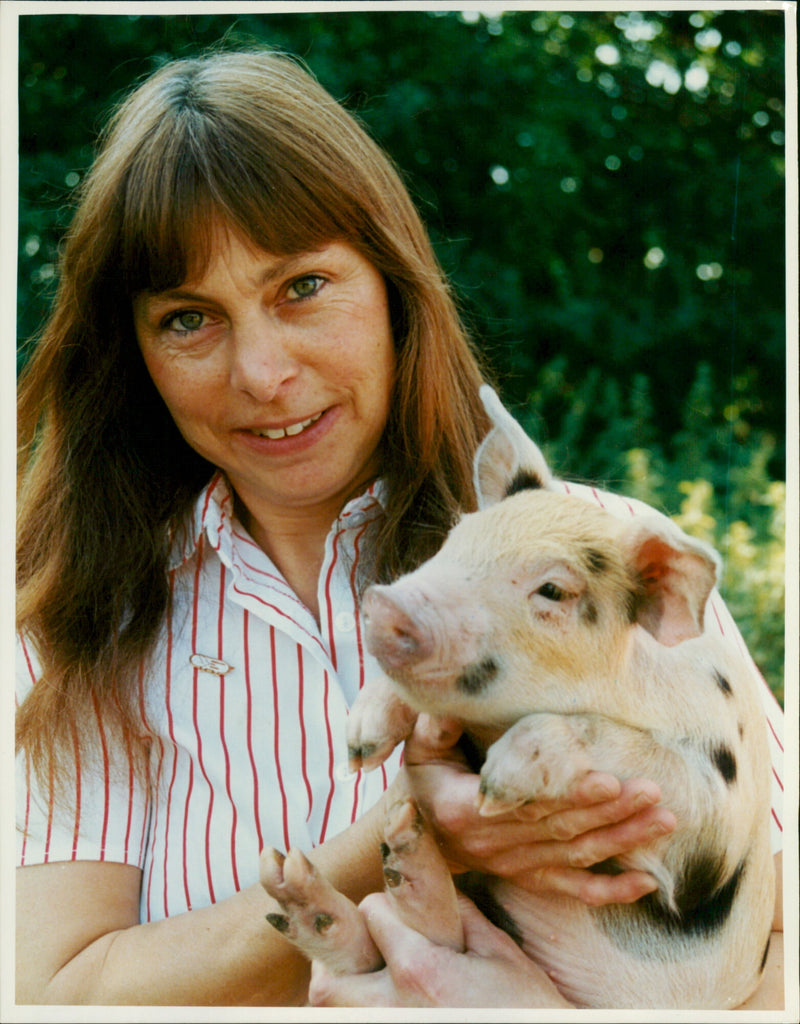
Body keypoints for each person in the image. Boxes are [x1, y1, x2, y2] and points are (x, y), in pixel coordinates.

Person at [15, 49, 784, 1007]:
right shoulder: (79, 624)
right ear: (130, 352)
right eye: (187, 318)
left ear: (392, 284)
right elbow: (56, 991)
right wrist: (410, 838)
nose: (261, 372)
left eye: (302, 287)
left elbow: (779, 935)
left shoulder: (607, 557)